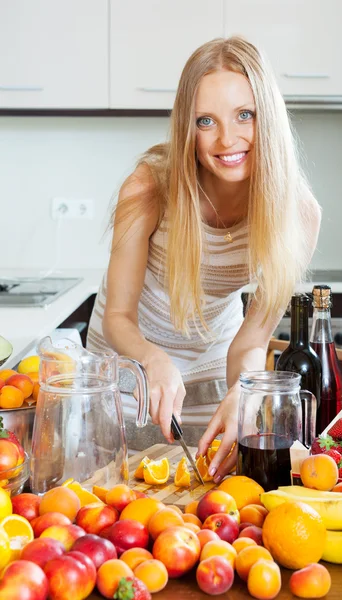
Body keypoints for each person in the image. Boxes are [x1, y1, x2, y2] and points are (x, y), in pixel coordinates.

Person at [86, 36, 321, 483]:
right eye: (206, 121)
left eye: (245, 115)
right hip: (131, 347)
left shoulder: (300, 216)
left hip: (215, 350)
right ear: (186, 128)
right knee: (116, 484)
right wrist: (152, 361)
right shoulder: (149, 186)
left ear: (266, 116)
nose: (228, 139)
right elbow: (117, 315)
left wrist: (243, 390)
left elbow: (251, 342)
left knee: (204, 483)